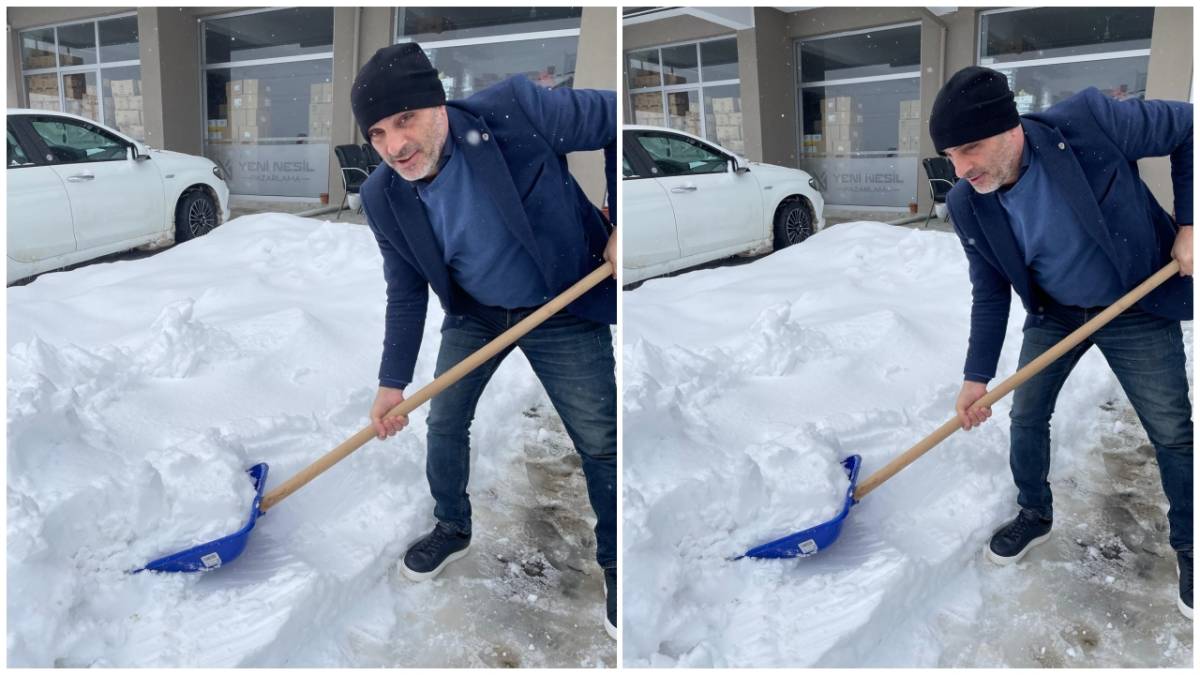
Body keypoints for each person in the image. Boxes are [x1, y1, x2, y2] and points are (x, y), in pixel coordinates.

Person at [350, 43, 618, 639]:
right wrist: (391, 384)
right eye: (378, 133)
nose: (395, 145)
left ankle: (616, 559)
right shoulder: (383, 197)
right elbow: (406, 292)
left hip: (563, 302)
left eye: (405, 119)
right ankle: (452, 526)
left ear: (438, 105)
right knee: (444, 421)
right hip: (477, 313)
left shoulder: (517, 110)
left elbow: (615, 119)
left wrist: (622, 223)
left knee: (600, 438)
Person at [929, 66, 1193, 619]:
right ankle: (1034, 513)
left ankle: (1191, 545)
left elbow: (1190, 128)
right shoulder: (968, 203)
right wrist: (975, 378)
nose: (961, 169)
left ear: (1011, 129)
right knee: (1026, 415)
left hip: (1137, 301)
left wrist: (1190, 224)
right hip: (1058, 313)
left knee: (1171, 430)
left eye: (971, 148)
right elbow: (990, 292)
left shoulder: (1091, 122)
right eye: (951, 155)